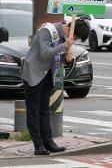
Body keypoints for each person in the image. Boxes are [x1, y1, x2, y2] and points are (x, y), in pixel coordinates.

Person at [21, 19, 90, 155]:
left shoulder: (65, 37)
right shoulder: (48, 31)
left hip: (48, 74)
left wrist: (66, 58)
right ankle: (38, 145)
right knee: (34, 111)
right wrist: (64, 46)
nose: (73, 40)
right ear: (69, 29)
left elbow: (57, 56)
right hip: (34, 73)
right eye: (74, 37)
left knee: (45, 110)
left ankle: (48, 141)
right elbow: (45, 53)